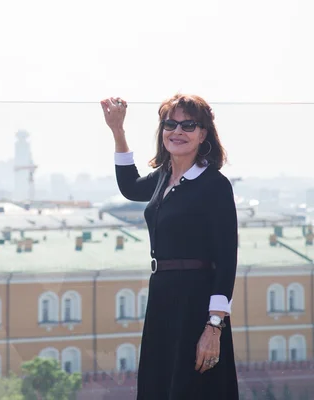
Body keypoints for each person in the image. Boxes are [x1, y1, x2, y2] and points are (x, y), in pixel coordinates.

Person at [100, 94, 239, 399]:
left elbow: (227, 260)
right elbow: (129, 186)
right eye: (170, 124)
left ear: (203, 135)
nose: (177, 131)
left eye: (188, 125)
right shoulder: (164, 177)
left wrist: (214, 326)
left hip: (195, 302)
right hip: (162, 296)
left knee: (193, 387)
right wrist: (118, 131)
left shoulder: (214, 185)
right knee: (160, 385)